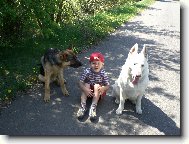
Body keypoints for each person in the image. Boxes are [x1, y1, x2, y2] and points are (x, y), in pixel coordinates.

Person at [77, 52, 110, 120]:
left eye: (98, 63)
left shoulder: (103, 73)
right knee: (86, 84)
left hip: (98, 93)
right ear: (90, 64)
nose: (96, 65)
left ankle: (93, 107)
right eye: (94, 63)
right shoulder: (87, 71)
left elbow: (107, 86)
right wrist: (85, 89)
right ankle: (83, 106)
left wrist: (103, 88)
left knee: (97, 85)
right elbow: (80, 82)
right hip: (88, 91)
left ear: (102, 64)